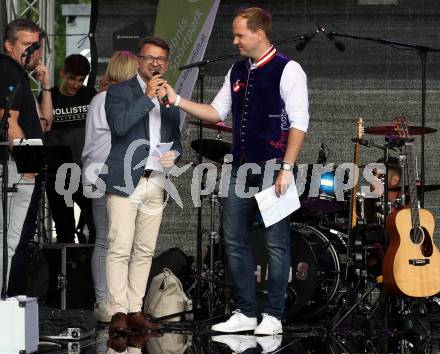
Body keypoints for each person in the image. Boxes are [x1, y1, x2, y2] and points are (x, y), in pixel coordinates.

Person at [162, 7, 309, 335]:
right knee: (233, 238)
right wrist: (178, 100)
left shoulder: (289, 69)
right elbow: (216, 112)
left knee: (276, 242)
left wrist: (287, 167)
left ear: (260, 33)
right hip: (240, 168)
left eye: (240, 34)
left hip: (273, 167)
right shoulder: (237, 70)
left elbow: (300, 122)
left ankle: (273, 315)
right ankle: (245, 311)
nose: (235, 40)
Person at [102, 36, 182, 333]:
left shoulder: (169, 96)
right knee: (119, 247)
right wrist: (147, 97)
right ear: (138, 60)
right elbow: (120, 126)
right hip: (125, 181)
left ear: (167, 63)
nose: (155, 64)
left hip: (156, 181)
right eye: (150, 58)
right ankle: (117, 312)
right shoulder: (120, 92)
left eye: (161, 59)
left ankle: (135, 308)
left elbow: (176, 138)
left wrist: (176, 154)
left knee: (145, 250)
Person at [81, 51, 139, 323]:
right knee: (110, 241)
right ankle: (106, 302)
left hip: (95, 172)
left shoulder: (98, 99)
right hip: (107, 174)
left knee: (108, 239)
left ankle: (109, 300)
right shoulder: (112, 99)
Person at [0, 19, 51, 290]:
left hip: (19, 168)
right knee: (13, 240)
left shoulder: (17, 74)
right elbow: (8, 121)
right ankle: (7, 304)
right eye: (27, 45)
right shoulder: (8, 71)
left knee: (15, 239)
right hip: (17, 169)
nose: (34, 52)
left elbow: (45, 122)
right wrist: (27, 164)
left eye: (37, 46)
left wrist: (46, 86)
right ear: (9, 45)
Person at [41, 54, 96, 243]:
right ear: (63, 73)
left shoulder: (90, 95)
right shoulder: (49, 96)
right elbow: (43, 127)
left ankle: (89, 268)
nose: (75, 84)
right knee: (64, 228)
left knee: (95, 223)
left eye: (81, 80)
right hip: (58, 172)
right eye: (72, 78)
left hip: (87, 171)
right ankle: (64, 270)